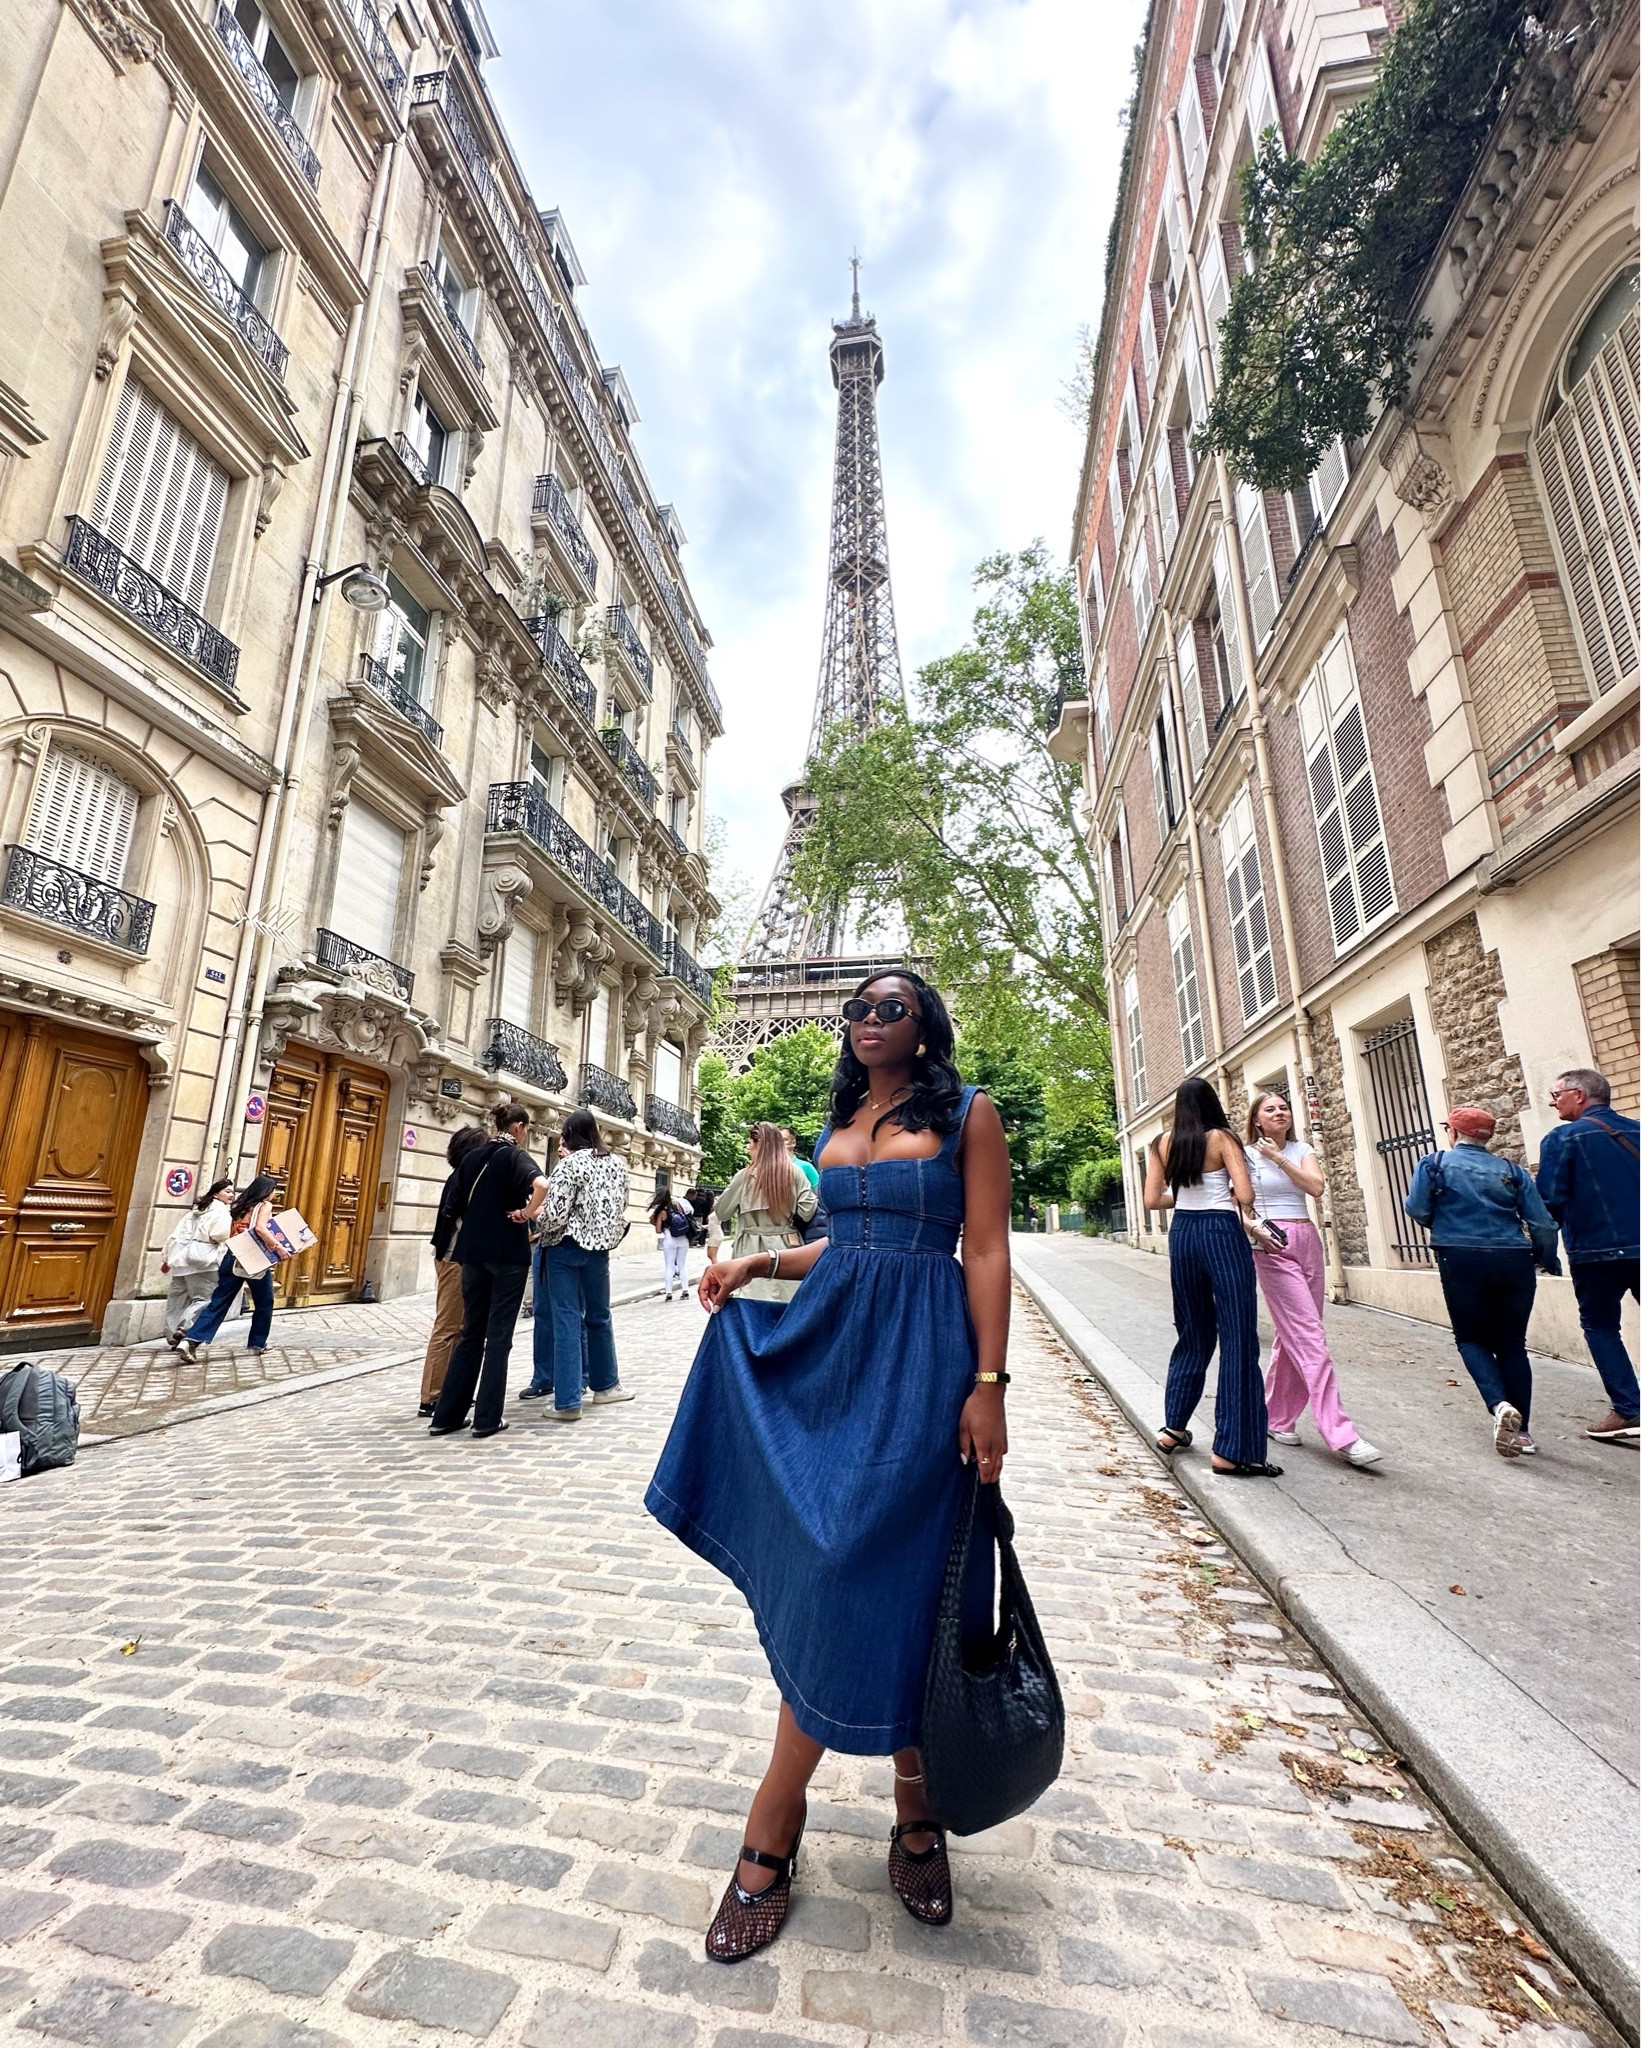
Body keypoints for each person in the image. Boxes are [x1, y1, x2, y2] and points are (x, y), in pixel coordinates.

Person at [646, 968, 1013, 1963]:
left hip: (926, 1359)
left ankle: (906, 1802)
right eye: (856, 1009)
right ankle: (790, 1807)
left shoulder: (970, 1114)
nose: (865, 1022)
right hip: (833, 1345)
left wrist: (989, 1381)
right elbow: (842, 1246)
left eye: (888, 1007)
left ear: (926, 1025)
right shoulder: (845, 1113)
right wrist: (752, 1264)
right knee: (828, 1567)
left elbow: (983, 1249)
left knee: (909, 1576)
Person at [1144, 1077, 1281, 1477]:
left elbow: (1153, 1200)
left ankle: (1173, 1428)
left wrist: (1187, 1196)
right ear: (1211, 1103)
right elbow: (1246, 1195)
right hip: (1221, 1232)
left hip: (1183, 1233)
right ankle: (1233, 1449)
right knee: (1238, 1335)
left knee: (1193, 1332)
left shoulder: (1161, 1143)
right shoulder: (1222, 1138)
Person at [1405, 1105, 1560, 1458]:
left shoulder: (1434, 1164)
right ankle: (1522, 1434)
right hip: (1513, 1259)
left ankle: (1499, 1405)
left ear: (1454, 1133)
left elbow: (1416, 1208)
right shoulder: (1512, 1171)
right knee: (1512, 1345)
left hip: (1460, 1256)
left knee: (1471, 1337)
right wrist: (1545, 1258)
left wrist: (1441, 1225)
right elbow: (1542, 1224)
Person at [1243, 1094, 1382, 1468]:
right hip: (1272, 1244)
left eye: (1284, 1107)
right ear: (1256, 1120)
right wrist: (1254, 1229)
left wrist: (1278, 1158)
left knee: (1297, 1335)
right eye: (1270, 1108)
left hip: (1307, 1240)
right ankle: (1342, 1434)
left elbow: (1316, 1187)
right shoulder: (1244, 1155)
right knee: (1310, 1337)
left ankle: (1275, 1417)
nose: (1279, 1112)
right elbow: (1234, 1203)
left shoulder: (1302, 1149)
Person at [429, 1104, 548, 1441]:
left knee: (470, 1332)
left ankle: (447, 1415)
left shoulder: (472, 1157)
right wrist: (526, 1213)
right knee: (498, 1337)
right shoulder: (514, 1156)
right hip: (506, 1253)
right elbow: (542, 1184)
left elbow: (458, 1200)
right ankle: (487, 1418)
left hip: (472, 1251)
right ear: (519, 1127)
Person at [1535, 1067, 1639, 1444]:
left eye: (1556, 1093)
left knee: (1600, 1326)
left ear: (1578, 1095)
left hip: (1597, 1250)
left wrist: (1543, 1250)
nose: (1551, 1101)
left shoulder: (1564, 1137)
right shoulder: (1638, 1130)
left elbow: (1548, 1201)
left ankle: (1629, 1408)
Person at [539, 1109, 634, 1419]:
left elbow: (554, 1213)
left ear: (569, 1134)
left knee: (566, 1318)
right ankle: (606, 1386)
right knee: (600, 1315)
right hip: (600, 1249)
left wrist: (532, 1218)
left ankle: (567, 1402)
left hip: (565, 1248)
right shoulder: (618, 1165)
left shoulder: (569, 1165)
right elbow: (622, 1204)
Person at [419, 1124, 490, 1418]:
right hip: (454, 1258)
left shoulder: (461, 1176)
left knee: (459, 1327)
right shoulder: (463, 1178)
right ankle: (432, 1396)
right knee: (448, 1327)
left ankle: (448, 1390)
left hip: (454, 1256)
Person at [176, 1176, 281, 1362]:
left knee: (218, 1302)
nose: (276, 1193)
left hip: (231, 1256)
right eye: (274, 1189)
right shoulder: (265, 1205)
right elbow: (260, 1228)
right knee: (265, 1301)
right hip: (252, 1259)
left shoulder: (240, 1206)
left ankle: (191, 1340)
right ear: (267, 1191)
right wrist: (278, 1246)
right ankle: (257, 1343)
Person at [713, 1123, 818, 1303]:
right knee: (786, 1305)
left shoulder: (744, 1177)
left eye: (749, 1143)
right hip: (788, 1248)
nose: (748, 1148)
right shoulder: (795, 1172)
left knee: (752, 1305)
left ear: (759, 1145)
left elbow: (722, 1213)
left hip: (751, 1248)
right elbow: (808, 1211)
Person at [160, 1179, 233, 1345]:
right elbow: (220, 1235)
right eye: (227, 1191)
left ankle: (171, 1335)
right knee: (204, 1299)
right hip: (203, 1262)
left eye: (231, 1192)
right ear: (216, 1193)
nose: (231, 1195)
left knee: (176, 1300)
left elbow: (175, 1235)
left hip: (180, 1262)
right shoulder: (221, 1212)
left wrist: (166, 1258)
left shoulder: (194, 1211)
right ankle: (184, 1327)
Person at [650, 1187, 694, 1302]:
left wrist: (657, 1223)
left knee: (670, 1266)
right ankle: (685, 1290)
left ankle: (669, 1292)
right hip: (683, 1238)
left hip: (670, 1240)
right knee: (682, 1265)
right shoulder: (677, 1205)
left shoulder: (661, 1211)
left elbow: (658, 1231)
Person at [784, 1128, 820, 1193]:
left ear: (793, 1142)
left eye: (784, 1140)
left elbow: (819, 1193)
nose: (780, 1143)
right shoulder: (770, 1168)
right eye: (777, 1140)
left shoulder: (806, 1166)